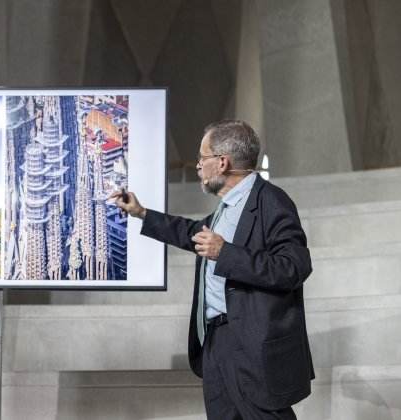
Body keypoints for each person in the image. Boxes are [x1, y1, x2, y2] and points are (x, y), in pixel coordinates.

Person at [111, 120, 314, 419]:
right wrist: (142, 214)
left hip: (249, 343)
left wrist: (226, 253)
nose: (197, 166)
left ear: (222, 163)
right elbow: (193, 232)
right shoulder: (226, 208)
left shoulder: (271, 201)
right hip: (215, 342)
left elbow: (293, 268)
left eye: (202, 158)